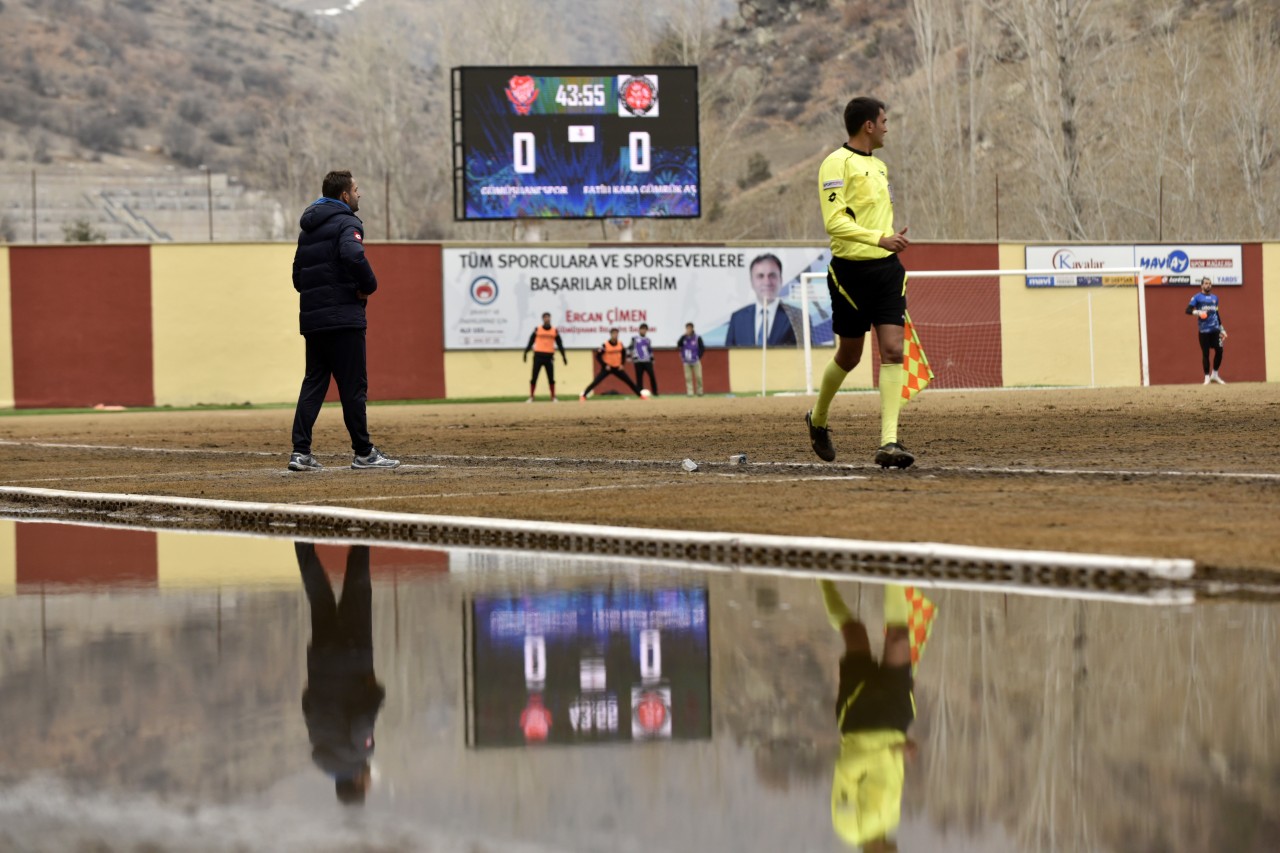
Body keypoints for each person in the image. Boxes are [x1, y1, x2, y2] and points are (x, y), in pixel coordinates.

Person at [805, 96, 915, 469]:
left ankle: (889, 442)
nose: (887, 126)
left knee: (894, 350)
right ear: (868, 125)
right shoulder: (835, 164)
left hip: (886, 271)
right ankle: (817, 418)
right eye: (884, 120)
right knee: (850, 355)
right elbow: (834, 222)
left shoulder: (881, 168)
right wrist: (879, 238)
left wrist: (890, 241)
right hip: (849, 274)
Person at [289, 170, 400, 471]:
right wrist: (368, 286)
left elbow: (297, 277)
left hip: (314, 321)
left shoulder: (307, 230)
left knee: (313, 382)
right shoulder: (347, 222)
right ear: (344, 196)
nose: (359, 193)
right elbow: (353, 256)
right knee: (353, 388)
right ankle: (364, 452)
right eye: (356, 189)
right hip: (344, 320)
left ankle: (300, 453)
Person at [820, 580, 926, 851]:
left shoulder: (847, 827)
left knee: (855, 631)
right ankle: (893, 566)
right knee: (899, 637)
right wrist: (904, 748)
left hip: (859, 718)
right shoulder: (891, 822)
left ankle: (822, 577)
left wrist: (890, 752)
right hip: (894, 718)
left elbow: (846, 770)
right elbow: (890, 773)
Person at [296, 542, 386, 805]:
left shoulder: (359, 753)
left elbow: (362, 721)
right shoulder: (320, 748)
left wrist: (378, 694)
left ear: (358, 783)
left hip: (354, 657)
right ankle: (300, 540)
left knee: (358, 587)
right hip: (321, 662)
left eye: (367, 787)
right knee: (319, 597)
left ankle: (360, 535)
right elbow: (307, 705)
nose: (370, 782)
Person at [724, 253, 804, 347]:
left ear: (781, 280)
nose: (767, 282)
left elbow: (808, 357)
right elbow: (728, 358)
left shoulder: (798, 318)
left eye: (772, 275)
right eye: (760, 276)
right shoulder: (738, 319)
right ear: (752, 282)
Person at [581, 327, 644, 400]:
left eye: (616, 333)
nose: (615, 335)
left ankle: (640, 395)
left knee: (629, 381)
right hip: (607, 368)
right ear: (610, 334)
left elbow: (624, 354)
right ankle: (584, 395)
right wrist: (605, 365)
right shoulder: (605, 345)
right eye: (613, 333)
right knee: (596, 381)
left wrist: (622, 364)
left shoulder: (620, 344)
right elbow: (598, 356)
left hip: (617, 367)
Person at [1187, 277, 1227, 385]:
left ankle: (1215, 374)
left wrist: (1222, 329)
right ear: (1201, 285)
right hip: (1204, 331)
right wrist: (1198, 312)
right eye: (1206, 283)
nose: (1208, 285)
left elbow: (1217, 314)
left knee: (1219, 351)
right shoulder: (1197, 297)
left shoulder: (1215, 298)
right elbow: (1188, 310)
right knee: (1206, 353)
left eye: (1209, 283)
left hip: (1215, 330)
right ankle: (1206, 377)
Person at [523, 311, 568, 401]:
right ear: (543, 319)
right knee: (534, 377)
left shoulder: (554, 331)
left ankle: (553, 397)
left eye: (548, 317)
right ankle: (531, 397)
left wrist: (564, 357)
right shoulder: (537, 329)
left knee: (551, 378)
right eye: (545, 317)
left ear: (550, 318)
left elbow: (560, 344)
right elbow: (531, 341)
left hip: (549, 357)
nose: (547, 319)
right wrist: (525, 352)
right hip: (538, 356)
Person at [677, 322, 706, 396]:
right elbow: (679, 344)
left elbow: (702, 348)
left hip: (695, 361)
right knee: (688, 378)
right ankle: (690, 392)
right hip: (686, 361)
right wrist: (683, 336)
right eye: (687, 328)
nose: (688, 329)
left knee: (698, 376)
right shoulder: (684, 338)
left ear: (692, 328)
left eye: (689, 328)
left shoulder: (697, 337)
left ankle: (700, 392)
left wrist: (698, 357)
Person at [629, 323, 658, 396]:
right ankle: (639, 393)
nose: (643, 331)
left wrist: (652, 358)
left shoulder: (647, 340)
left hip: (647, 361)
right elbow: (630, 348)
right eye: (642, 329)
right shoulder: (635, 339)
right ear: (639, 330)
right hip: (638, 361)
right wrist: (629, 357)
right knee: (639, 377)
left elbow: (649, 350)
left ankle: (655, 392)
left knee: (652, 375)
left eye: (645, 329)